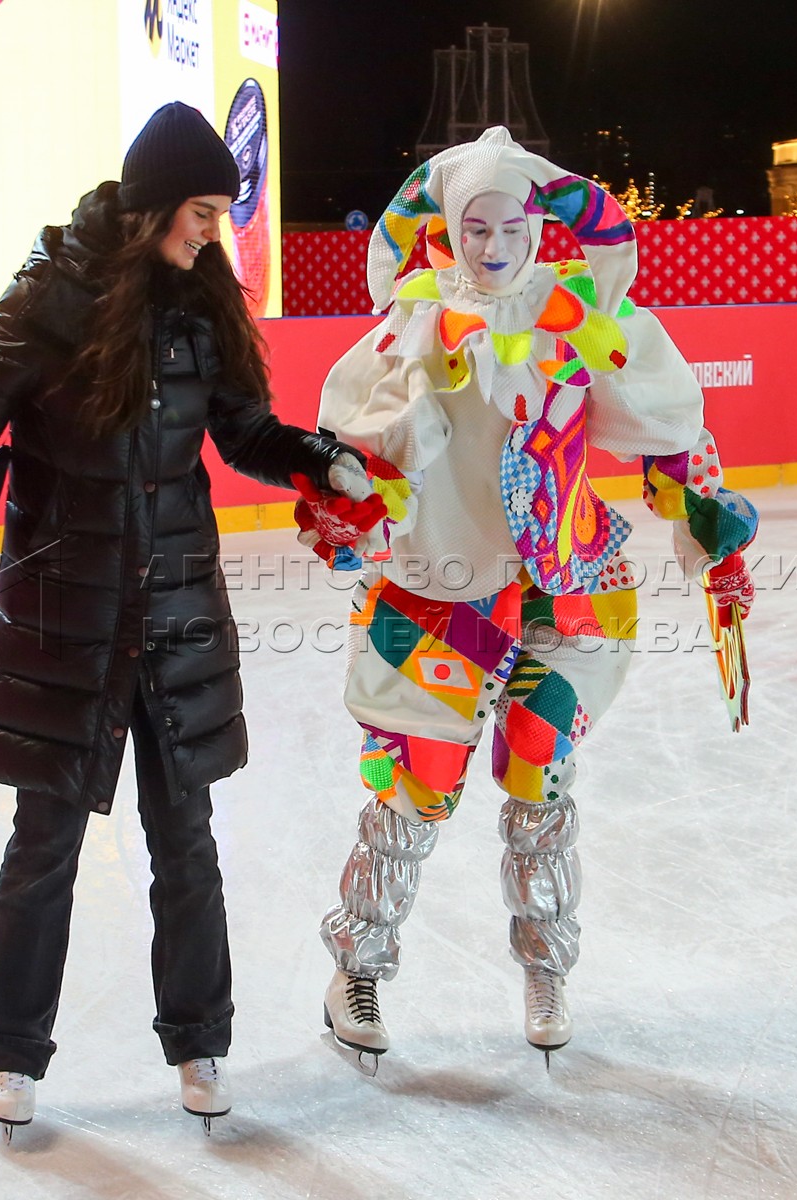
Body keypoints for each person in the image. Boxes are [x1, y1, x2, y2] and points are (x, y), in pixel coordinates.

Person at [0, 102, 377, 1136]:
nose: (212, 234)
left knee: (187, 836)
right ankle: (12, 1056)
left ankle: (201, 1041)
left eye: (220, 216)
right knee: (46, 840)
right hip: (63, 617)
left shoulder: (202, 306)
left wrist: (313, 456)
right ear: (154, 203)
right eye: (200, 213)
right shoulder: (53, 297)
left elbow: (240, 431)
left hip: (174, 614)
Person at [301, 127, 759, 1065]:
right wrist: (392, 449)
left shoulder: (580, 313)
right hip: (441, 586)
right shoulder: (410, 328)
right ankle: (360, 963)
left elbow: (671, 426)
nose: (494, 243)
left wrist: (708, 524)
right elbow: (339, 462)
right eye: (474, 225)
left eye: (512, 222)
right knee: (414, 789)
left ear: (539, 223)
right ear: (450, 229)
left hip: (566, 583)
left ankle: (546, 968)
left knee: (539, 769)